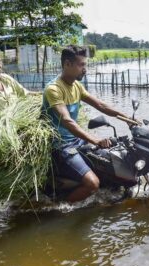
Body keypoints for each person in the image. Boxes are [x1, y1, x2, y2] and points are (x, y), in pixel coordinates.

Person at [42, 45, 130, 203]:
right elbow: (67, 121)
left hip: (76, 140)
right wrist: (94, 140)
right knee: (92, 184)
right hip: (60, 145)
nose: (85, 69)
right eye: (81, 65)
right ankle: (59, 208)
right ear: (67, 64)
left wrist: (128, 119)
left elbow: (101, 106)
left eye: (85, 65)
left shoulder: (76, 86)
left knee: (111, 162)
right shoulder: (54, 89)